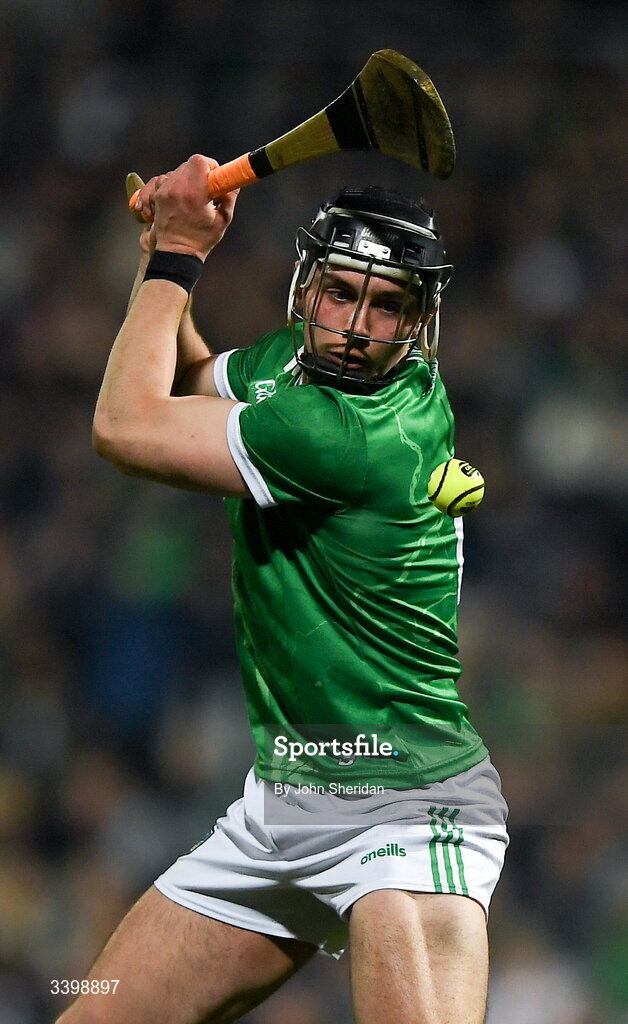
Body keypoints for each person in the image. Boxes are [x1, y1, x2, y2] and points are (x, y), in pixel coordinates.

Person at [57, 154, 508, 1024]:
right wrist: (167, 256)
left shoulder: (352, 432)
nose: (355, 325)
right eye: (341, 292)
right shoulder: (290, 377)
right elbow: (186, 383)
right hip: (283, 806)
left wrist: (176, 259)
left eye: (387, 307)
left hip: (403, 811)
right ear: (305, 291)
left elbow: (124, 424)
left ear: (420, 325)